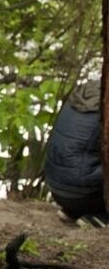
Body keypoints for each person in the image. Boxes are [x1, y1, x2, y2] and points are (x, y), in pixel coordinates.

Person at [44, 78, 107, 228]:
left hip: (57, 189)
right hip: (85, 194)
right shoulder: (105, 102)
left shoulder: (83, 91)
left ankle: (72, 211)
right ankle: (102, 217)